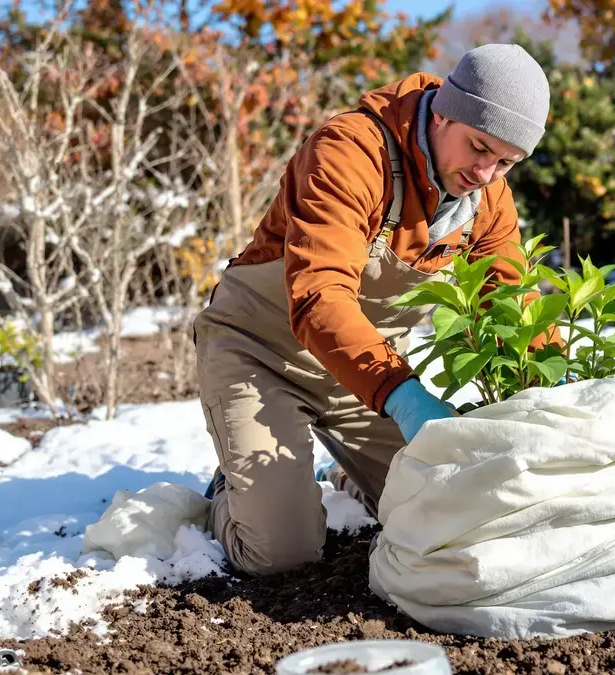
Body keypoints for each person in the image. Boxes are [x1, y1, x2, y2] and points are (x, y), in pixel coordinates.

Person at [193, 44, 554, 576]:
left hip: (362, 377)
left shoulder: (488, 198)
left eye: (505, 162)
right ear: (446, 110)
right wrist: (406, 400)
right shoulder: (349, 152)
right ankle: (234, 488)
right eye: (479, 147)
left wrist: (558, 390)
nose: (486, 172)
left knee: (450, 514)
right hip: (260, 354)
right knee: (282, 553)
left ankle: (346, 473)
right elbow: (319, 295)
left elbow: (509, 302)